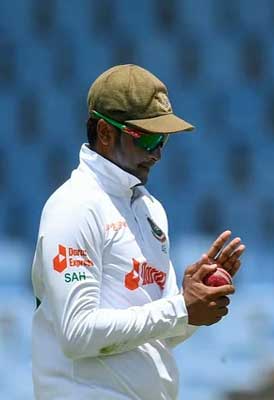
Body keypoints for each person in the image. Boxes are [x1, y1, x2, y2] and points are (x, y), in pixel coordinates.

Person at [31, 64, 245, 399]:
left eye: (163, 139)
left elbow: (162, 334)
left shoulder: (150, 210)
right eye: (147, 137)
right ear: (105, 132)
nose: (157, 153)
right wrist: (180, 308)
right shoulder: (75, 206)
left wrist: (193, 305)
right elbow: (78, 334)